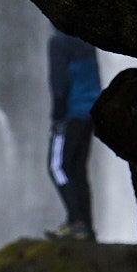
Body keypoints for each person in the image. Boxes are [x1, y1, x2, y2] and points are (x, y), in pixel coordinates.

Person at [46, 28, 102, 240]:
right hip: (90, 112)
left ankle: (76, 222)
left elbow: (59, 82)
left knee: (57, 167)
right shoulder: (88, 40)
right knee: (78, 170)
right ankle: (86, 226)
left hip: (71, 113)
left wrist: (57, 115)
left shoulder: (59, 43)